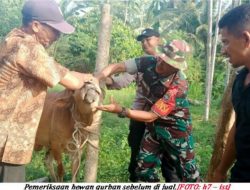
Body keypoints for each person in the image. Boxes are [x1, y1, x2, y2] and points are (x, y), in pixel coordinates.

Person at [0, 0, 96, 182]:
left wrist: (84, 75)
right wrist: (91, 79)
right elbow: (72, 82)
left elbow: (58, 69)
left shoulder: (13, 38)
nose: (58, 35)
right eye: (54, 29)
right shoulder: (29, 48)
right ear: (36, 25)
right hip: (8, 138)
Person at [96, 39, 201, 182]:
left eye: (168, 64)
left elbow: (151, 115)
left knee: (188, 174)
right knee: (143, 169)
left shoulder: (178, 85)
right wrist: (98, 77)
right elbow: (118, 66)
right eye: (162, 58)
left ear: (177, 68)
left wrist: (121, 110)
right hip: (154, 128)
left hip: (176, 130)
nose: (161, 64)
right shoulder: (149, 61)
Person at [106, 28, 179, 182]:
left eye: (148, 39)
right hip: (139, 116)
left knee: (169, 162)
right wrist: (103, 77)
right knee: (137, 157)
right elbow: (120, 82)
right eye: (142, 41)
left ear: (158, 40)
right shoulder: (139, 64)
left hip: (163, 119)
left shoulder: (171, 62)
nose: (144, 43)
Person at [212, 4, 250, 182]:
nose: (222, 51)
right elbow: (240, 125)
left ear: (245, 38)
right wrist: (221, 170)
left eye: (225, 42)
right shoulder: (241, 80)